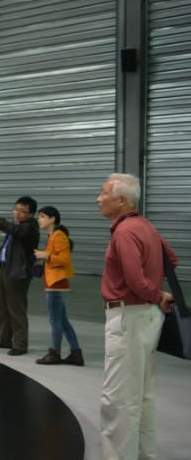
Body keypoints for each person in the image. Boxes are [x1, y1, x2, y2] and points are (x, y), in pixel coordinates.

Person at [97, 173, 175, 460]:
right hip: (147, 318)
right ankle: (144, 454)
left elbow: (134, 279)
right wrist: (159, 294)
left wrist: (155, 294)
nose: (98, 198)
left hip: (127, 318)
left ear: (121, 200)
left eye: (103, 193)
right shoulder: (146, 227)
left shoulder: (124, 232)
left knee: (118, 400)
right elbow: (172, 259)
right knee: (142, 395)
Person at [0, 196, 39, 356]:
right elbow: (8, 242)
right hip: (7, 269)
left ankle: (20, 344)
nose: (17, 213)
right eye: (16, 209)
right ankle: (4, 339)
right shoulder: (17, 225)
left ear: (31, 214)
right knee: (2, 307)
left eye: (22, 211)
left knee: (16, 309)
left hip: (18, 272)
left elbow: (12, 231)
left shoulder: (30, 227)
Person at [32, 206, 83, 366]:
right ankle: (76, 353)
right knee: (63, 321)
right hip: (54, 282)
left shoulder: (58, 236)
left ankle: (54, 352)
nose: (39, 219)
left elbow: (64, 260)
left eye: (42, 216)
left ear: (52, 219)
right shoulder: (53, 235)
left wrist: (45, 255)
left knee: (55, 321)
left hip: (56, 284)